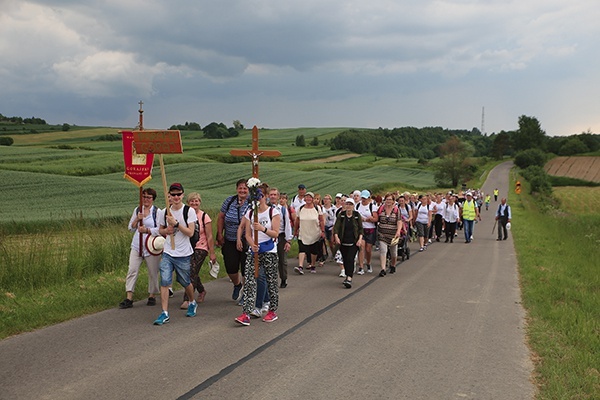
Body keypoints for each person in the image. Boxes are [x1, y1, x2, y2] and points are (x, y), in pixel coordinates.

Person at [235, 182, 281, 326]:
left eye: (261, 196)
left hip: (269, 250)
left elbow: (275, 233)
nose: (258, 199)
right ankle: (246, 312)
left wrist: (262, 229)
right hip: (254, 251)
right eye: (256, 196)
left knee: (271, 280)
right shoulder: (250, 213)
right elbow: (247, 233)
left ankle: (272, 310)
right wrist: (251, 244)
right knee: (249, 280)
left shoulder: (273, 212)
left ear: (266, 196)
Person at [153, 183, 198, 325]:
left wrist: (176, 224)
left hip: (184, 253)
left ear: (183, 195)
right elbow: (160, 230)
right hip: (168, 252)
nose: (176, 197)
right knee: (165, 281)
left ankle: (192, 301)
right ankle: (164, 312)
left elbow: (190, 233)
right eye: (173, 194)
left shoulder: (189, 211)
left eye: (179, 194)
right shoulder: (164, 212)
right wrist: (166, 231)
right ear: (169, 196)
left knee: (185, 281)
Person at [119, 188, 161, 309]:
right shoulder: (137, 210)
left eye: (148, 197)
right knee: (132, 269)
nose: (146, 199)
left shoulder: (157, 212)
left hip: (151, 246)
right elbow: (130, 228)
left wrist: (147, 230)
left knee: (153, 271)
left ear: (153, 199)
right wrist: (137, 219)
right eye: (144, 197)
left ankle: (152, 295)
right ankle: (129, 297)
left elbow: (160, 229)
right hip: (137, 245)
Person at [180, 192, 216, 309]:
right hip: (187, 247)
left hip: (201, 247)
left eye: (196, 201)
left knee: (191, 271)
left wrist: (212, 252)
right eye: (192, 201)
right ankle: (201, 290)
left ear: (200, 202)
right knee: (190, 270)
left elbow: (209, 236)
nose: (194, 203)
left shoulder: (204, 216)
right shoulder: (184, 215)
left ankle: (187, 299)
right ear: (188, 202)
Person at [216, 179, 250, 302]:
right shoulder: (230, 201)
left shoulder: (253, 202)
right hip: (230, 239)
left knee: (246, 268)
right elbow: (221, 217)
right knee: (231, 267)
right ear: (236, 189)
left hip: (247, 241)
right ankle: (237, 284)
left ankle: (246, 293)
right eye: (240, 188)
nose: (242, 190)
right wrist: (219, 234)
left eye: (245, 188)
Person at [333, 198, 363, 289]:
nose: (348, 206)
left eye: (350, 204)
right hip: (343, 242)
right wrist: (336, 237)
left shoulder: (357, 215)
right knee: (345, 260)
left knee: (350, 258)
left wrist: (360, 239)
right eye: (347, 204)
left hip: (353, 242)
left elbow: (361, 229)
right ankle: (347, 275)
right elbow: (336, 227)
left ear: (353, 206)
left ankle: (349, 278)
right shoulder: (341, 215)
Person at [294, 192, 325, 274]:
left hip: (314, 232)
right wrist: (295, 230)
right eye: (306, 197)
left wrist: (322, 231)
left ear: (312, 199)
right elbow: (297, 221)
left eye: (310, 197)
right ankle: (300, 266)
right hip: (303, 232)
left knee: (313, 251)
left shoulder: (317, 208)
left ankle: (313, 265)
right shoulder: (300, 209)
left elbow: (321, 220)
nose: (308, 199)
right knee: (302, 249)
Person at [269, 188, 293, 288]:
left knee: (282, 259)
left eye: (275, 195)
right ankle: (270, 279)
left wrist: (288, 240)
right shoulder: (265, 208)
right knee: (269, 259)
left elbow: (287, 224)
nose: (273, 197)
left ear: (278, 197)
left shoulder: (282, 209)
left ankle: (283, 278)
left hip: (281, 235)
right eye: (271, 195)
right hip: (268, 236)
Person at [377, 193, 405, 276]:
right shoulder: (381, 208)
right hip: (382, 234)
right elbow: (377, 218)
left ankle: (393, 265)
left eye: (390, 199)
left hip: (393, 235)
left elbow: (399, 221)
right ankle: (383, 269)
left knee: (394, 253)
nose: (388, 201)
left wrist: (398, 231)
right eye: (387, 199)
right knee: (383, 251)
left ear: (393, 201)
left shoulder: (396, 210)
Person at [356, 190, 378, 274]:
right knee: (361, 248)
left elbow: (375, 218)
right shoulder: (357, 206)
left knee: (368, 249)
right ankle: (361, 267)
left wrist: (366, 219)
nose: (363, 200)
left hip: (370, 230)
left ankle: (368, 263)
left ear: (369, 198)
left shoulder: (372, 206)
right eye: (362, 198)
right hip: (361, 230)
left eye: (365, 198)